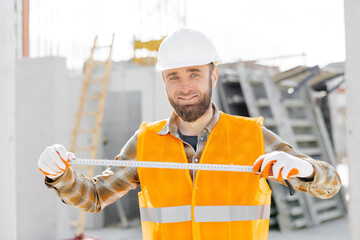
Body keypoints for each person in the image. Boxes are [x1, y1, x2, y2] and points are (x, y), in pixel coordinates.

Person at [39, 28, 341, 240]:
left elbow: (330, 185)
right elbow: (94, 196)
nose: (184, 87)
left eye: (194, 73)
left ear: (214, 74)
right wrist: (60, 174)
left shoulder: (252, 136)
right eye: (174, 77)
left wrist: (306, 168)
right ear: (164, 81)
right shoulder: (145, 143)